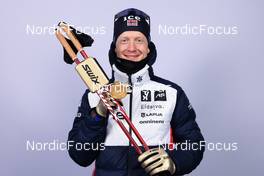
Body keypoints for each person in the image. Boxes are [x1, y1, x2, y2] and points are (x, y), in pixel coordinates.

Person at [67, 8, 204, 176]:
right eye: (124, 40)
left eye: (139, 40)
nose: (131, 47)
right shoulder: (93, 95)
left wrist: (174, 161)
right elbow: (80, 155)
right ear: (115, 48)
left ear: (148, 48)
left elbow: (194, 145)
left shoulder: (171, 93)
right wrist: (98, 114)